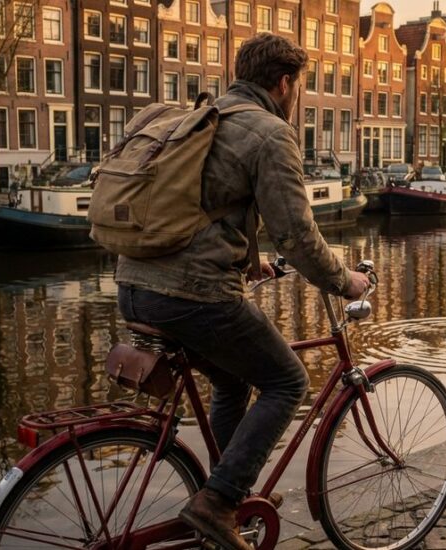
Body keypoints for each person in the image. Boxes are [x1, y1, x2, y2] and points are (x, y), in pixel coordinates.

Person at [115, 34, 369, 550]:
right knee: (288, 381)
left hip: (133, 286)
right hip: (190, 295)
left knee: (232, 384)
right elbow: (297, 235)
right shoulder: (269, 132)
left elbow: (201, 213)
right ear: (284, 84)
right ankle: (217, 502)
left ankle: (227, 486)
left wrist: (252, 266)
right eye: (297, 86)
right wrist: (346, 282)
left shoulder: (203, 117)